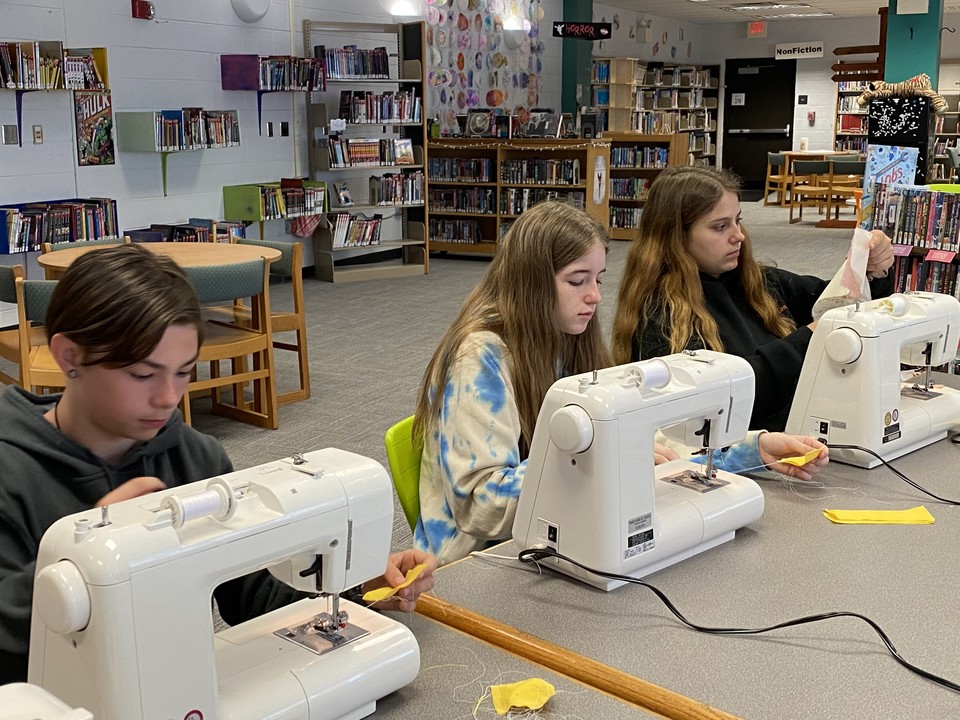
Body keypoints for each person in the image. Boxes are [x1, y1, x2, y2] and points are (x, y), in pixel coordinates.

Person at [0, 244, 436, 685]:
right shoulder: (11, 471)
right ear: (70, 357)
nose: (169, 397)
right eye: (143, 374)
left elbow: (251, 598)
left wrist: (357, 583)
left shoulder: (196, 459)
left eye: (184, 371)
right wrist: (88, 557)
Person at [412, 201, 828, 567]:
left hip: (553, 540)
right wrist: (611, 457)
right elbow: (481, 506)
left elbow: (647, 437)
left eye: (598, 279)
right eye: (577, 281)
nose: (594, 296)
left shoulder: (568, 342)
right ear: (530, 283)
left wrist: (750, 450)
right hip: (474, 567)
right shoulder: (480, 359)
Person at [612, 165, 895, 432]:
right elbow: (720, 401)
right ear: (676, 236)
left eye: (738, 221)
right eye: (720, 227)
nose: (739, 236)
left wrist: (870, 272)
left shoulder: (758, 280)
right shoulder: (661, 314)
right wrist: (810, 339)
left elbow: (835, 301)